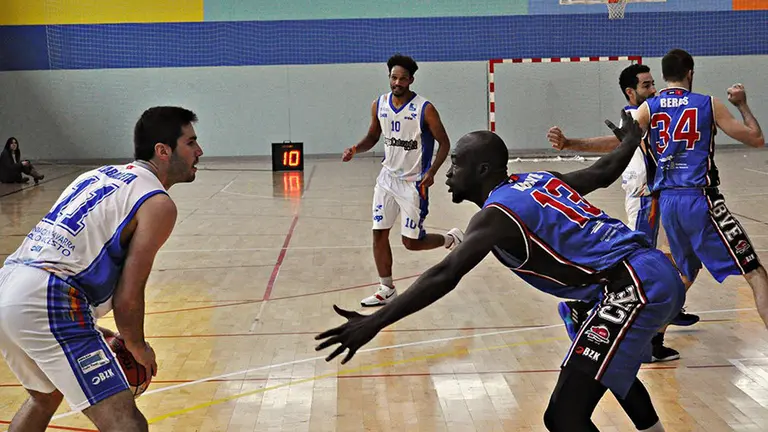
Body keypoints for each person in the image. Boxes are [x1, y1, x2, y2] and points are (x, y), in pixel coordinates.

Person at [316, 111, 681, 431]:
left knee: (564, 416)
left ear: (483, 170)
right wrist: (632, 141)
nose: (448, 172)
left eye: (456, 163)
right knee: (600, 362)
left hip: (632, 285)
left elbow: (445, 274)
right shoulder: (539, 180)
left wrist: (374, 322)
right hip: (640, 277)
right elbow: (600, 173)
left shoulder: (496, 216)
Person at [0, 106, 203, 431]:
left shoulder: (96, 175)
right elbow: (128, 296)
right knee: (127, 423)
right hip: (48, 298)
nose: (199, 151)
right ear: (163, 151)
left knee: (44, 397)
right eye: (190, 142)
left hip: (9, 284)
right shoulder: (157, 203)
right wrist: (137, 347)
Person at [546, 64, 696, 363]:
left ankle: (664, 314)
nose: (653, 89)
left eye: (654, 83)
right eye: (646, 85)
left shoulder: (652, 111)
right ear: (631, 92)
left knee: (677, 261)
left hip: (662, 196)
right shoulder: (633, 118)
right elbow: (612, 143)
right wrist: (571, 143)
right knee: (639, 270)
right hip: (645, 198)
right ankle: (585, 308)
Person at [631, 48, 768, 328]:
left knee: (686, 272)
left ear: (664, 76)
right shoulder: (707, 103)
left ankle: (650, 335)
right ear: (690, 73)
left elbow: (618, 143)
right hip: (699, 200)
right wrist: (742, 104)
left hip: (668, 203)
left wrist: (572, 143)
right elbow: (755, 138)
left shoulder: (649, 107)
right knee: (755, 273)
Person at [341, 54, 461, 307]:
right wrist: (355, 148)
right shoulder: (379, 104)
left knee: (411, 243)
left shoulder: (424, 109)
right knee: (378, 233)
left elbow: (445, 142)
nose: (397, 82)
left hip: (413, 184)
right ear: (389, 77)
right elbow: (373, 136)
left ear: (411, 80)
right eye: (394, 77)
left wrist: (433, 171)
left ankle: (450, 239)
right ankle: (386, 288)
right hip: (386, 179)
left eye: (403, 78)